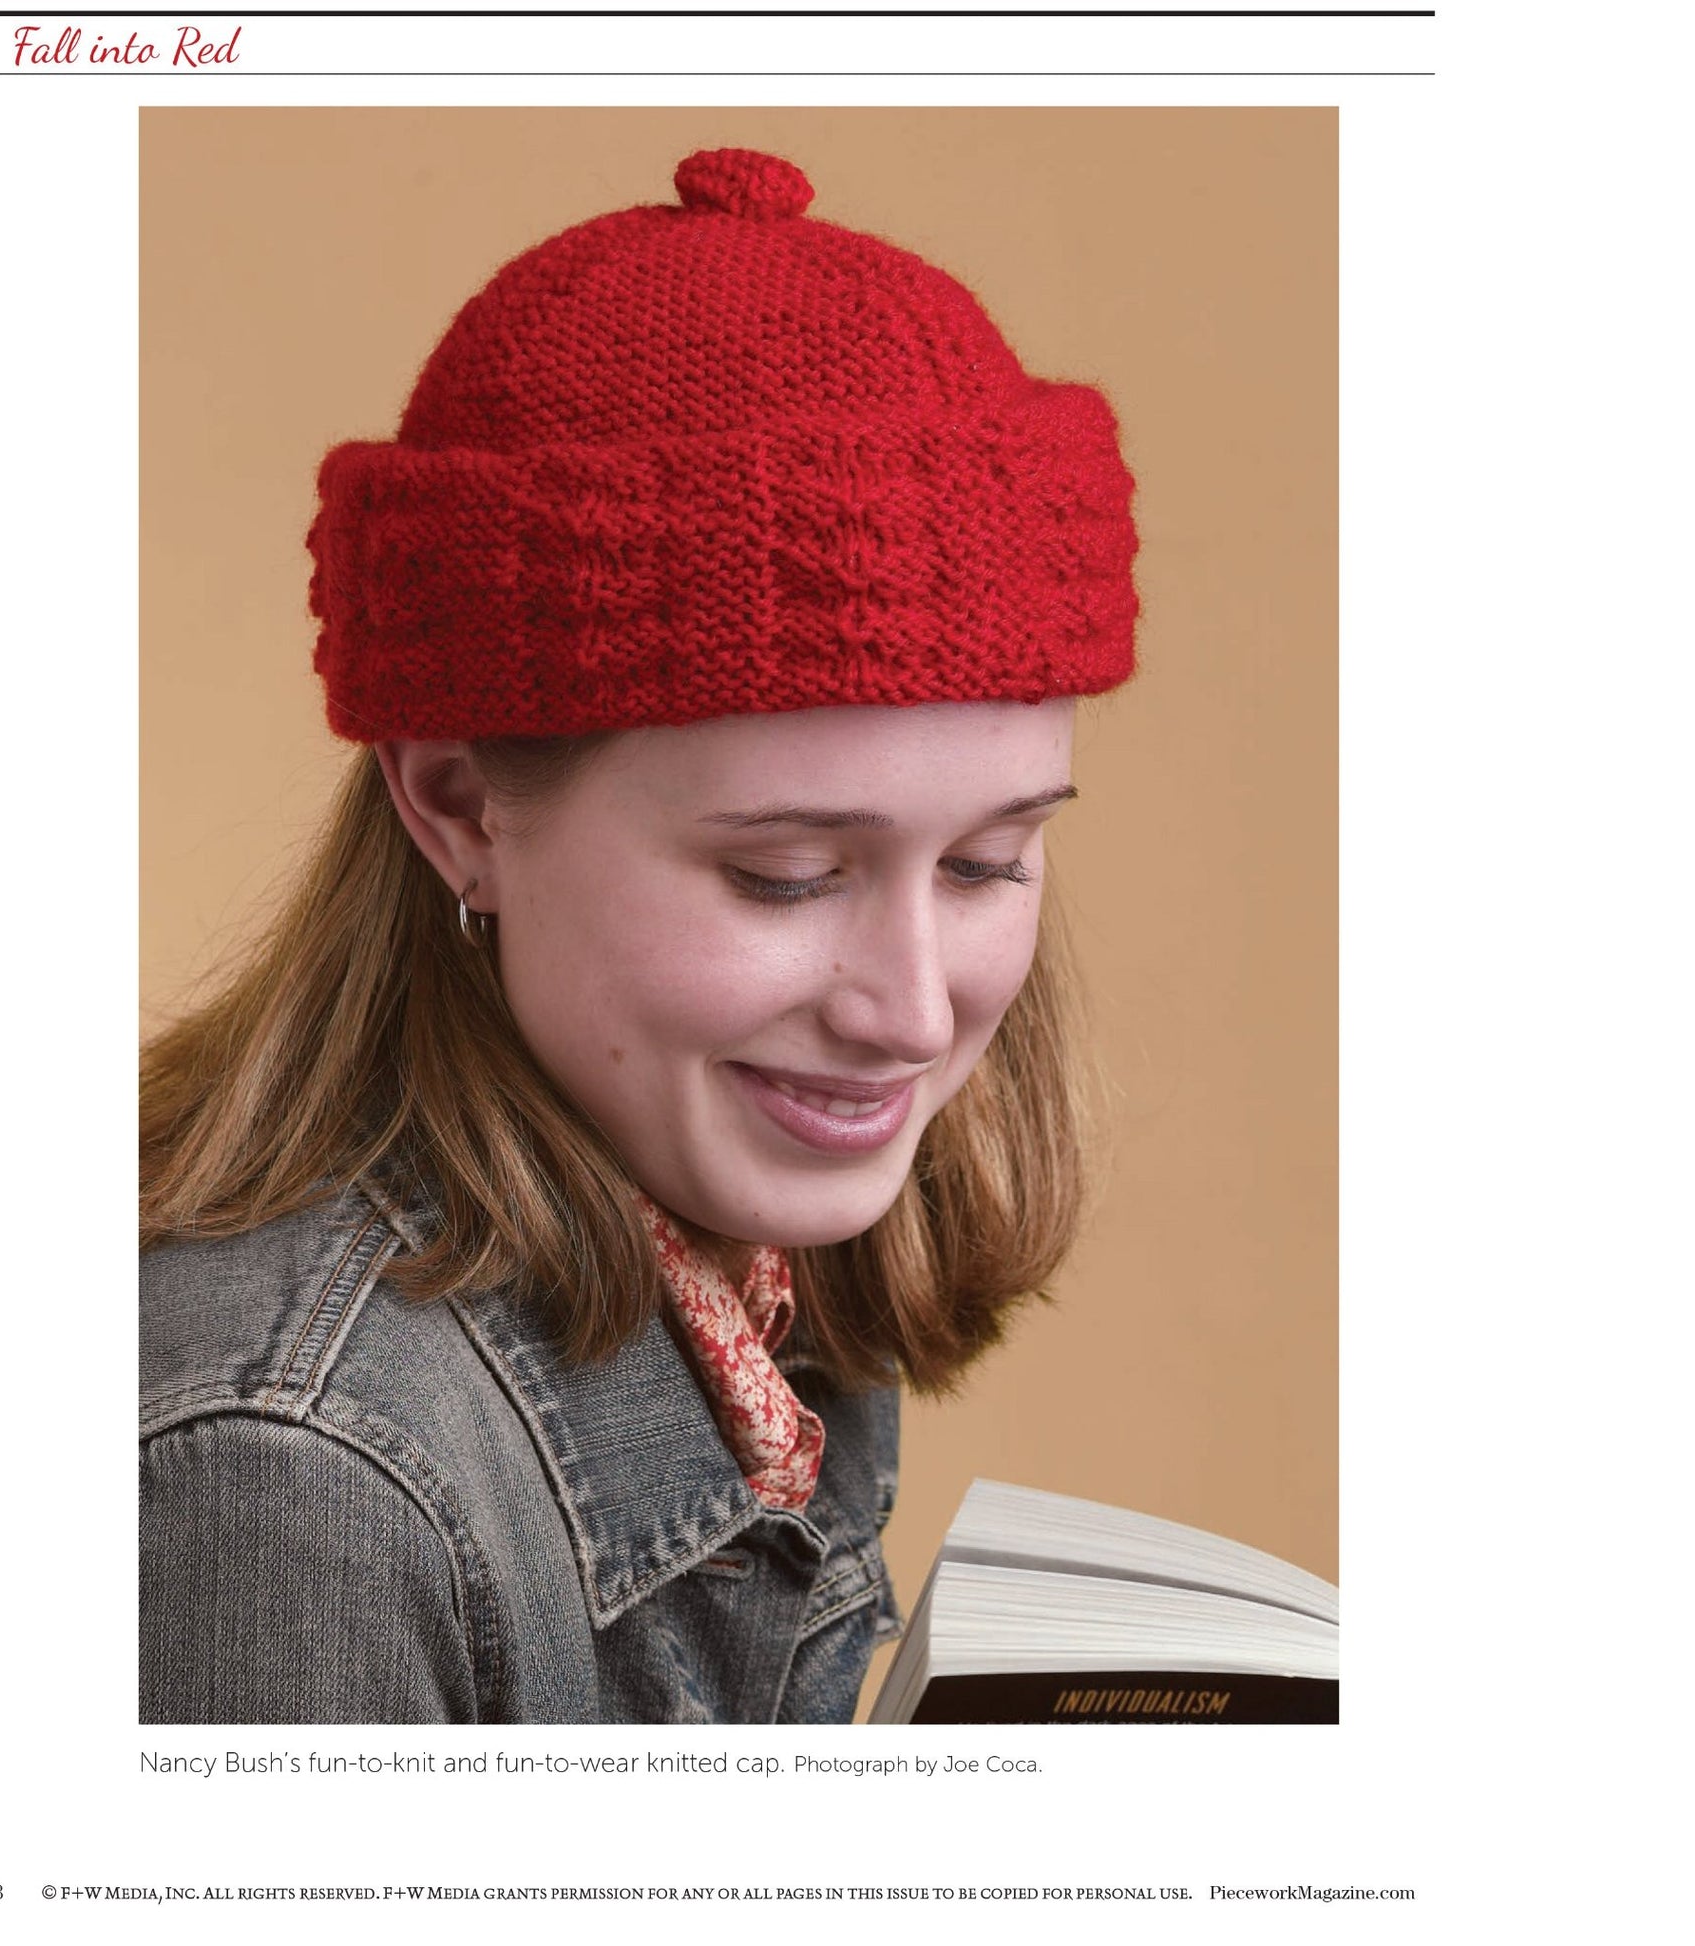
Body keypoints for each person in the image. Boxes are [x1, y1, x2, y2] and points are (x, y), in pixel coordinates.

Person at [139, 147, 1138, 1724]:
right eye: (789, 873)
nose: (909, 1011)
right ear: (461, 802)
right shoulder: (294, 1480)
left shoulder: (746, 1269)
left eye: (988, 862)